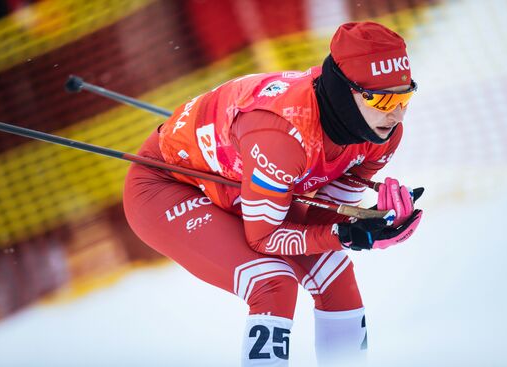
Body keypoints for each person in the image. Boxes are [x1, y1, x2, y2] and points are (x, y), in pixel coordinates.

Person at [123, 21, 423, 366]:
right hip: (168, 186)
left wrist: (369, 223)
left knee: (334, 273)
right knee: (272, 281)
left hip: (242, 181)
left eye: (404, 96)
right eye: (384, 100)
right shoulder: (281, 137)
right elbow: (264, 239)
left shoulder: (380, 132)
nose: (398, 112)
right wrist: (346, 234)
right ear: (346, 92)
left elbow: (321, 222)